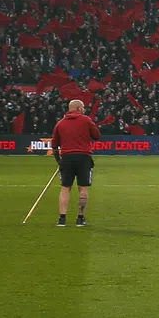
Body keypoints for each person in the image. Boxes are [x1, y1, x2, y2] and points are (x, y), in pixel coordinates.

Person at [51, 98, 101, 228]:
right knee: (83, 188)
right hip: (84, 157)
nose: (84, 109)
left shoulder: (60, 123)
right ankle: (80, 218)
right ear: (79, 108)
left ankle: (62, 218)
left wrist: (59, 162)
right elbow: (97, 135)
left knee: (65, 187)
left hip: (66, 157)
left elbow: (54, 146)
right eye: (83, 107)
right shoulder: (86, 120)